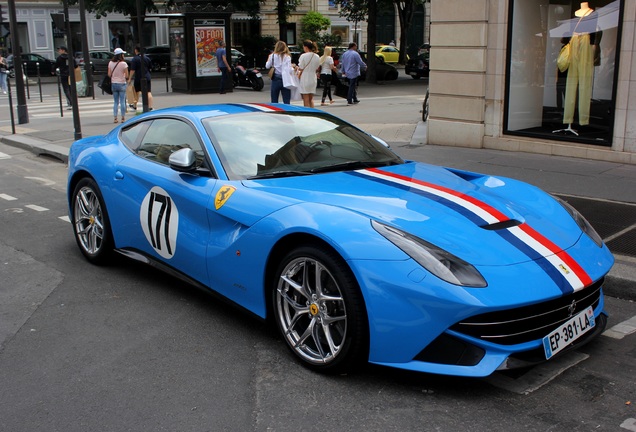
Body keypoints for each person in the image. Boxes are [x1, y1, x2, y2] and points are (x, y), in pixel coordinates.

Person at [128, 45, 153, 111]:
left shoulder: (135, 59)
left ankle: (134, 106)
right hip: (147, 76)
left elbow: (132, 70)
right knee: (148, 92)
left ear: (136, 50)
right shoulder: (147, 58)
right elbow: (150, 68)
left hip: (138, 77)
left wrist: (129, 78)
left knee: (136, 91)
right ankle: (150, 106)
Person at [297, 40, 320, 108]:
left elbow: (301, 68)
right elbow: (317, 67)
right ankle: (313, 113)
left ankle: (307, 113)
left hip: (305, 77)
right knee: (311, 98)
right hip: (313, 77)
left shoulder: (303, 56)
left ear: (306, 47)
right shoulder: (317, 56)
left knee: (305, 98)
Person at [108, 48, 129, 123]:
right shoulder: (124, 64)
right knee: (122, 101)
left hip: (114, 83)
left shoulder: (110, 63)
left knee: (115, 102)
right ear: (121, 55)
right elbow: (127, 75)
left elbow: (109, 74)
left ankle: (115, 118)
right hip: (122, 83)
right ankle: (123, 118)